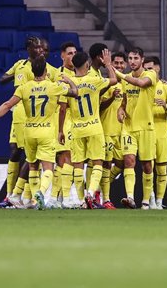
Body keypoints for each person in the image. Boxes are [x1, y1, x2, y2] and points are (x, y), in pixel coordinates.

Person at [0, 57, 78, 209]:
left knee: (32, 166)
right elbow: (75, 92)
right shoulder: (53, 87)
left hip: (28, 132)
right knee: (48, 169)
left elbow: (7, 105)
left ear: (32, 71)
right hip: (46, 132)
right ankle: (40, 194)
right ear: (46, 71)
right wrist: (69, 81)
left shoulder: (24, 88)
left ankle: (33, 201)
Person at [66, 50, 118, 209]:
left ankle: (82, 200)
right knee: (97, 163)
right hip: (94, 127)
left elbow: (63, 106)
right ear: (87, 64)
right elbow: (114, 80)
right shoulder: (94, 79)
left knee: (77, 165)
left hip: (76, 129)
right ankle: (90, 192)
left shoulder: (68, 82)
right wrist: (108, 64)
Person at [0, 37, 44, 206]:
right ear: (28, 49)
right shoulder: (20, 64)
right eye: (36, 47)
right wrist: (14, 76)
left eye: (41, 47)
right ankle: (9, 195)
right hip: (17, 114)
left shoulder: (43, 68)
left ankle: (25, 195)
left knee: (32, 155)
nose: (39, 50)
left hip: (32, 115)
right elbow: (2, 79)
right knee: (15, 151)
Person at [115, 47, 157, 210]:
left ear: (142, 60)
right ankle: (130, 197)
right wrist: (120, 110)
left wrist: (118, 73)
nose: (132, 61)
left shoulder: (150, 75)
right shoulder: (126, 79)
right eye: (130, 59)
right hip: (129, 127)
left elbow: (140, 83)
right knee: (129, 161)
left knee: (147, 165)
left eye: (135, 58)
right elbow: (124, 101)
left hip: (146, 127)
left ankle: (146, 200)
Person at [143, 56, 167, 210]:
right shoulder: (143, 86)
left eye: (150, 68)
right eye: (146, 69)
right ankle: (149, 199)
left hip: (162, 131)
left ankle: (158, 201)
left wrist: (165, 106)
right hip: (147, 131)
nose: (148, 71)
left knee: (161, 168)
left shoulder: (166, 87)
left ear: (157, 68)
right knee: (147, 167)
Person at [99, 52, 127, 209]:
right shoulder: (107, 83)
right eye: (116, 63)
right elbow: (99, 106)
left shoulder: (128, 83)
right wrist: (111, 98)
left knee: (122, 163)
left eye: (121, 63)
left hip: (123, 132)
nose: (119, 66)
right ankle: (106, 199)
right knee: (107, 163)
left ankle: (96, 188)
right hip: (108, 129)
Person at [51, 42, 77, 207]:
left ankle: (57, 197)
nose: (72, 56)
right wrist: (60, 129)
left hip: (75, 122)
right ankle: (63, 198)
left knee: (65, 161)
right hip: (61, 121)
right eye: (69, 53)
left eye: (74, 53)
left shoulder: (80, 73)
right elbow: (61, 105)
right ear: (62, 55)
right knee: (65, 159)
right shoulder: (57, 75)